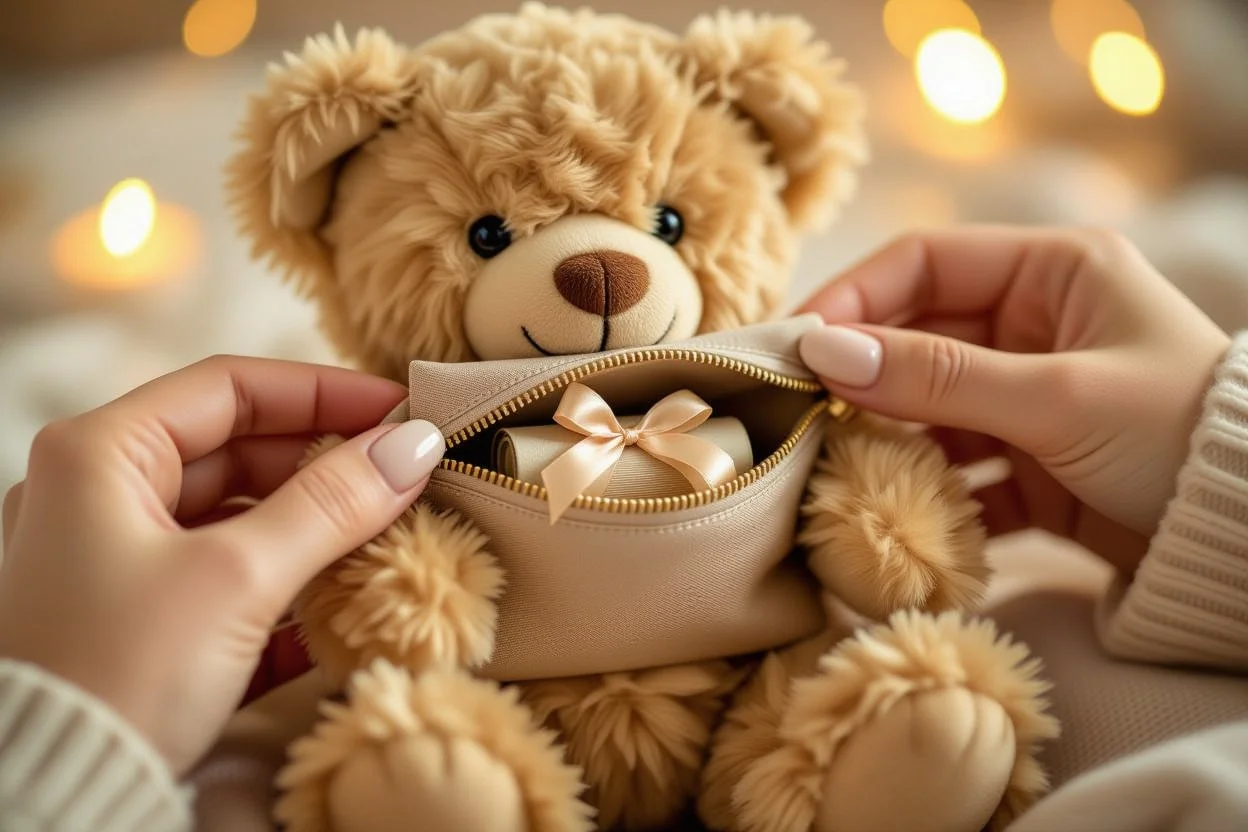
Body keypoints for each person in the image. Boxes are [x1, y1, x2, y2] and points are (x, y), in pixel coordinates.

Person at [0, 224, 1245, 830]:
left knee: (911, 695)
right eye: (491, 235)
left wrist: (58, 740)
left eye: (667, 222)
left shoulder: (783, 390)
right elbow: (391, 598)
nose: (602, 266)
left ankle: (874, 765)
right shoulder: (388, 450)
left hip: (762, 688)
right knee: (415, 752)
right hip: (500, 700)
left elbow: (894, 531)